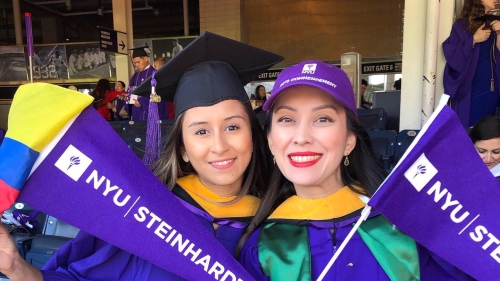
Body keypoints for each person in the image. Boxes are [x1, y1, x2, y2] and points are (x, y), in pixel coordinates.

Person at [0, 31, 282, 281]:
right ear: (182, 149)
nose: (219, 145)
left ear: (254, 137)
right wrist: (16, 268)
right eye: (200, 132)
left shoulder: (279, 223)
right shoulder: (141, 215)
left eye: (232, 126)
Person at [238, 60, 474, 280]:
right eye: (287, 119)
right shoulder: (264, 245)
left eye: (322, 119)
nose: (301, 137)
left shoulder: (404, 228)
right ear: (270, 141)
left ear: (350, 140)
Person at [443, 0, 500, 127]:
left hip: (490, 86)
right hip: (470, 86)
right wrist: (473, 39)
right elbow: (452, 56)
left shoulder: (495, 22)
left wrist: (499, 33)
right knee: (469, 127)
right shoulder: (461, 25)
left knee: (488, 129)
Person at [127, 46, 156, 121]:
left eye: (138, 62)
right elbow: (130, 91)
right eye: (135, 63)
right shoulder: (135, 76)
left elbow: (157, 94)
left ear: (145, 59)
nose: (136, 65)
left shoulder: (154, 74)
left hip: (149, 114)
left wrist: (141, 102)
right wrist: (128, 98)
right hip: (136, 112)